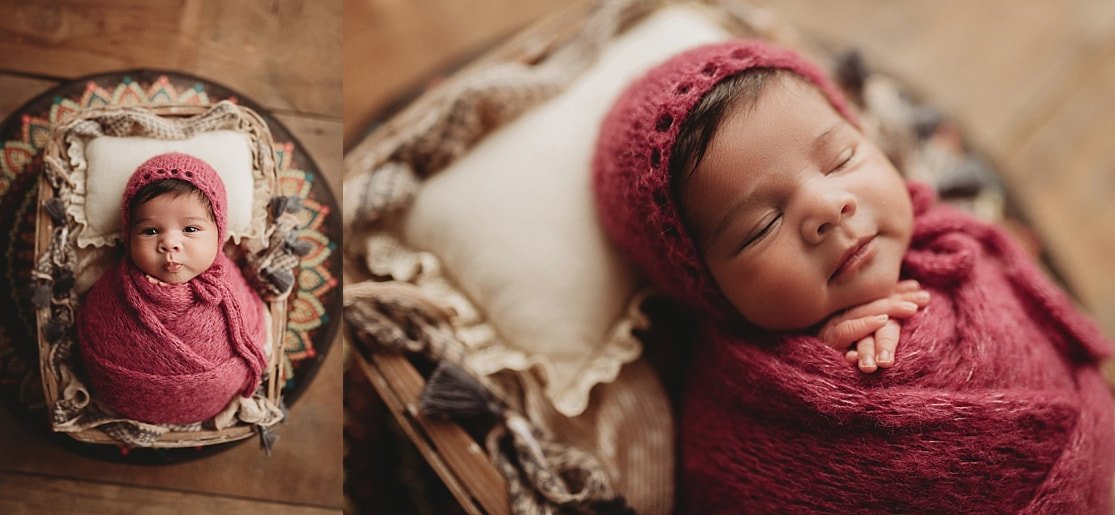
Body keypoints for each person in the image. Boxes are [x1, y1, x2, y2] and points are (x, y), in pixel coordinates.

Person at [593, 40, 1114, 512]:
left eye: (840, 158)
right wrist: (817, 373)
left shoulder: (965, 244)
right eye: (761, 226)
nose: (829, 207)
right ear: (707, 289)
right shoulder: (741, 412)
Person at [77, 152, 269, 425]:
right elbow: (95, 330)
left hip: (214, 397)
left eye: (190, 229)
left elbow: (251, 333)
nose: (170, 244)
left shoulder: (228, 284)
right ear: (128, 236)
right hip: (124, 397)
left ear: (219, 233)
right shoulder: (114, 288)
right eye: (151, 231)